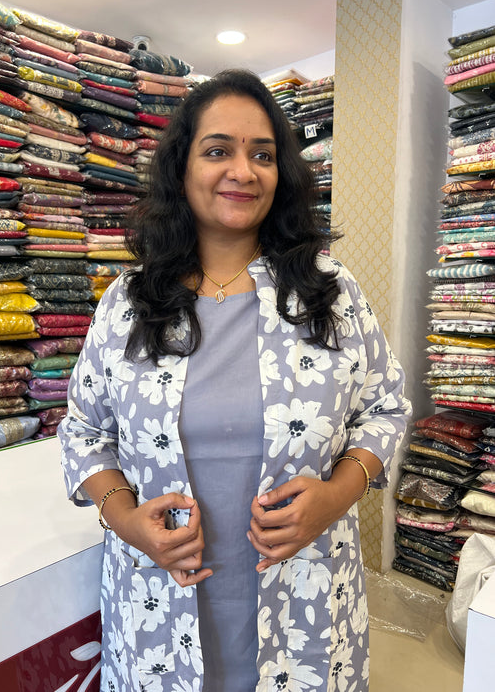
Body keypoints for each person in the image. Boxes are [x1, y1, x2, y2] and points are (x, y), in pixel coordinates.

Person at [58, 68, 411, 692]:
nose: (243, 172)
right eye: (218, 150)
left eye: (263, 155)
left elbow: (385, 408)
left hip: (306, 604)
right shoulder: (129, 302)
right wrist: (125, 519)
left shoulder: (328, 293)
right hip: (158, 609)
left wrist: (337, 495)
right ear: (182, 169)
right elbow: (85, 432)